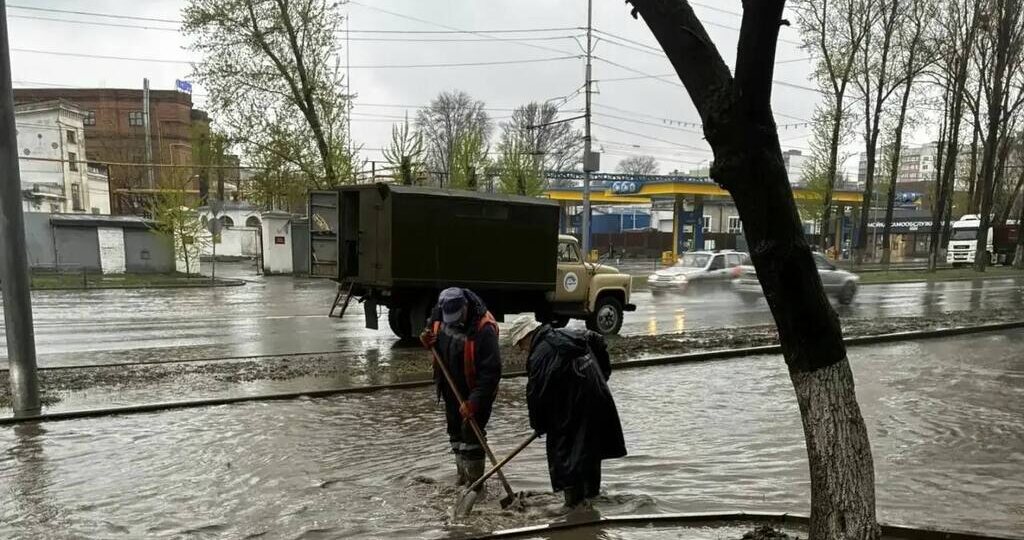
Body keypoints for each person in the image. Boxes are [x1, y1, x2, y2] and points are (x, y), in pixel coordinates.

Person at [507, 315, 626, 508]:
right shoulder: (570, 333)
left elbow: (536, 396)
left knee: (565, 460)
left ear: (527, 335)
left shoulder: (540, 356)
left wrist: (539, 424)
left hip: (571, 413)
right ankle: (592, 503)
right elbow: (598, 340)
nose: (522, 349)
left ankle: (574, 511)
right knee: (591, 454)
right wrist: (602, 375)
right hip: (597, 401)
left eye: (520, 343)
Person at [420, 287, 501, 489]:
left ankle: (475, 484)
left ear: (465, 306)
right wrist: (425, 338)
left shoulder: (484, 329)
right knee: (455, 432)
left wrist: (474, 402)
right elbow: (429, 331)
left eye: (457, 317)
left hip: (477, 391)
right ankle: (462, 477)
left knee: (471, 435)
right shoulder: (439, 313)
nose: (453, 322)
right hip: (450, 387)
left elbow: (491, 374)